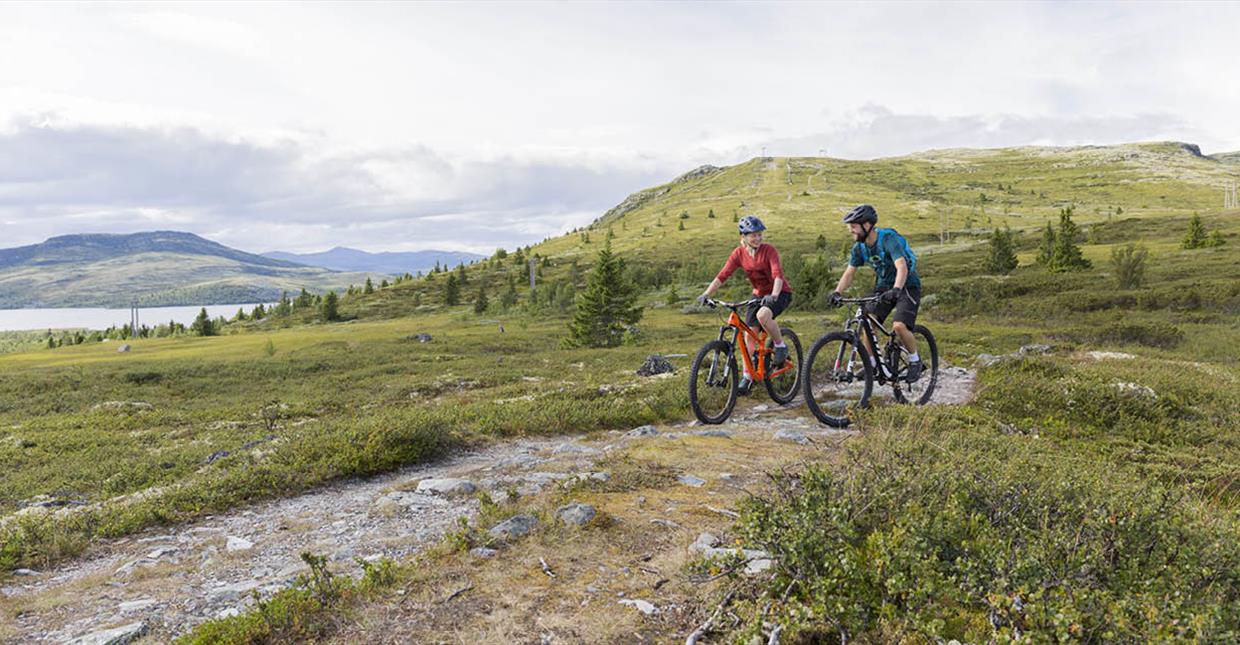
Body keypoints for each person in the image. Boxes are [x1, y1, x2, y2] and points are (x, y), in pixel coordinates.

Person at [828, 204, 925, 382]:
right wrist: (837, 292)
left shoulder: (887, 239)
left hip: (907, 284)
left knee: (899, 326)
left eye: (854, 226)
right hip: (884, 286)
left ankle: (915, 361)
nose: (851, 230)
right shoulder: (859, 248)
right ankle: (871, 365)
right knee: (868, 320)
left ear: (867, 225)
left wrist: (896, 289)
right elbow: (849, 272)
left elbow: (901, 266)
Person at [698, 215, 793, 393]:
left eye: (759, 234)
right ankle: (748, 376)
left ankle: (780, 345)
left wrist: (773, 295)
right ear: (743, 237)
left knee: (763, 315)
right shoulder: (738, 254)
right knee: (749, 335)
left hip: (780, 293)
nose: (757, 238)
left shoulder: (769, 250)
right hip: (758, 295)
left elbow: (777, 275)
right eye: (753, 235)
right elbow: (722, 275)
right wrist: (706, 294)